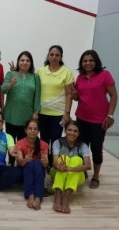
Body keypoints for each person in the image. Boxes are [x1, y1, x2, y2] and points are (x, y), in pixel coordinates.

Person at [70, 50, 117, 189]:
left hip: (99, 121)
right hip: (82, 118)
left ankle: (96, 176)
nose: (88, 63)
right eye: (85, 61)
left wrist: (110, 116)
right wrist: (74, 95)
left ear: (96, 61)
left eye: (90, 60)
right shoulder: (80, 77)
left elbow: (114, 96)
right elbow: (79, 97)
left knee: (97, 147)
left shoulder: (105, 75)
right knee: (81, 147)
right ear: (81, 63)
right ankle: (83, 171)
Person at [36, 45, 75, 169]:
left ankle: (54, 165)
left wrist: (67, 113)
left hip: (58, 114)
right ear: (48, 55)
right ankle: (45, 163)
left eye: (57, 55)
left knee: (56, 140)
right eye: (51, 54)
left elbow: (69, 94)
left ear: (61, 57)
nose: (54, 57)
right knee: (44, 139)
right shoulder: (40, 71)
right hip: (42, 112)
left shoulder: (67, 72)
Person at [1, 51, 41, 166]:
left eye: (27, 61)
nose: (24, 62)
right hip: (11, 114)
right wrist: (11, 85)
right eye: (22, 60)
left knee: (24, 143)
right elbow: (3, 90)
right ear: (18, 62)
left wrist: (35, 112)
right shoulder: (11, 74)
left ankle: (21, 165)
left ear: (31, 63)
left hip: (27, 116)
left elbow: (37, 96)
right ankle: (10, 162)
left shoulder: (35, 77)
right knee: (11, 141)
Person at [51, 120, 91, 213]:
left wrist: (69, 169)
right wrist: (59, 167)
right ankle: (57, 194)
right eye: (69, 130)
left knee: (77, 159)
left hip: (77, 177)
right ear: (65, 130)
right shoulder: (57, 142)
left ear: (78, 133)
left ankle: (66, 197)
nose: (72, 133)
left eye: (75, 131)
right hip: (57, 172)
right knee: (63, 158)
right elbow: (54, 162)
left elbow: (88, 166)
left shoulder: (82, 145)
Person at [15, 119, 48, 210]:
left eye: (35, 129)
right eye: (30, 128)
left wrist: (43, 161)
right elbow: (19, 162)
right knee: (30, 163)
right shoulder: (19, 143)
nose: (32, 131)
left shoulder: (44, 145)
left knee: (36, 163)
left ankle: (38, 197)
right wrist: (26, 159)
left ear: (38, 131)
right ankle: (30, 195)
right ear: (25, 130)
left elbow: (45, 165)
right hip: (24, 172)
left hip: (39, 172)